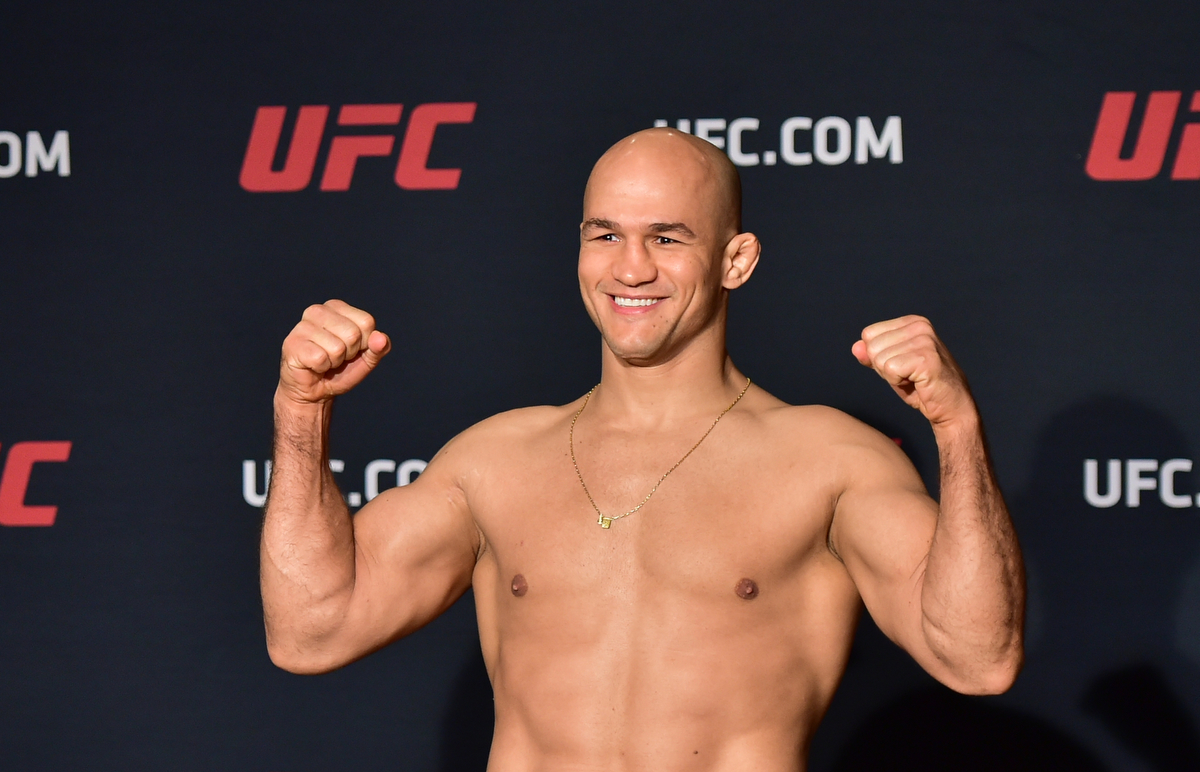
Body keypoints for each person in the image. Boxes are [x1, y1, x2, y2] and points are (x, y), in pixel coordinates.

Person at [260, 127, 1025, 771]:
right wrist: (303, 414)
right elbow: (310, 631)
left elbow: (977, 658)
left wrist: (957, 432)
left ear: (736, 260)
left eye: (667, 237)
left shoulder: (829, 462)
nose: (631, 269)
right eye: (606, 236)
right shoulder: (493, 460)